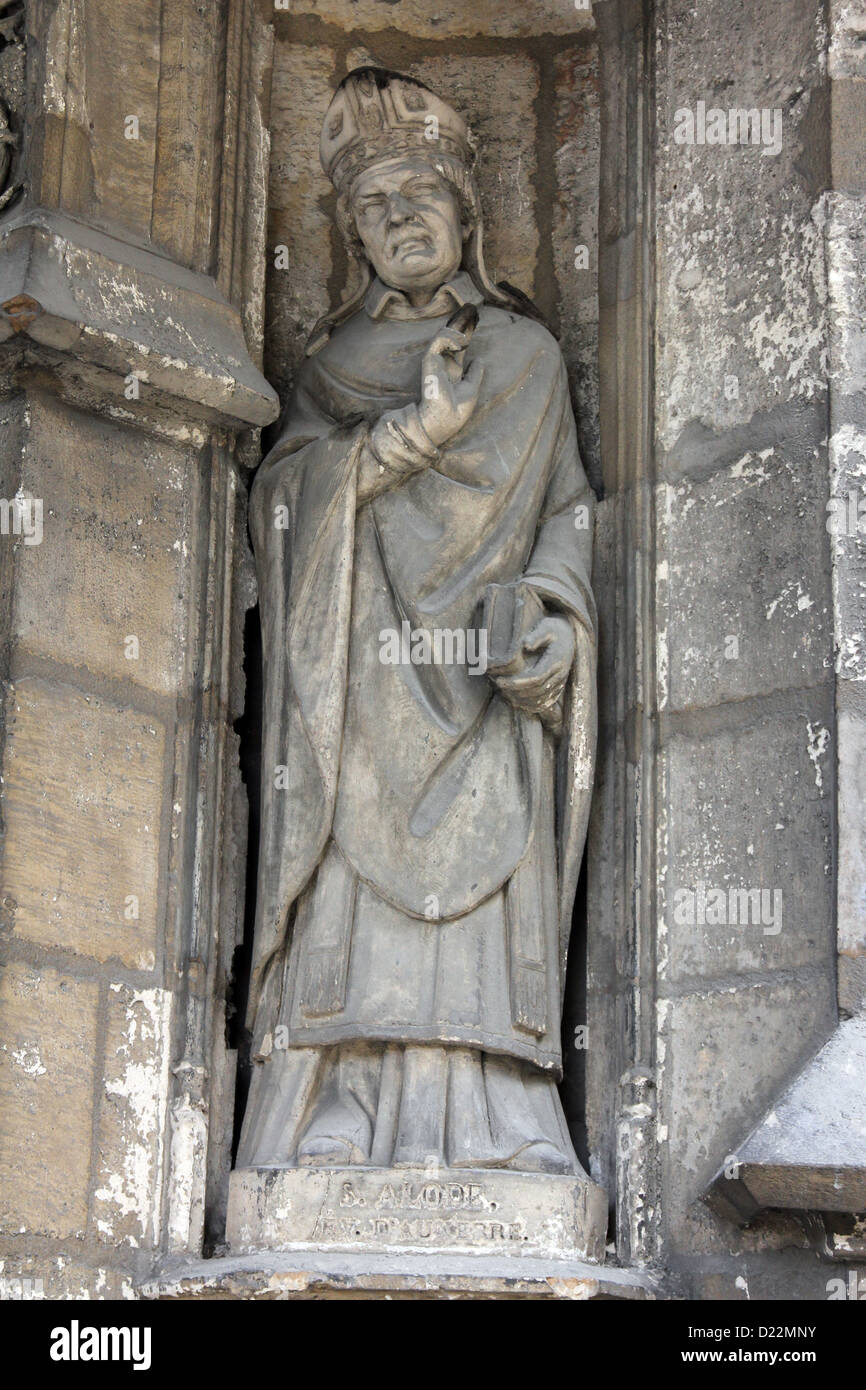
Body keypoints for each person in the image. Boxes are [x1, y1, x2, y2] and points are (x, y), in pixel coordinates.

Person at [237, 67, 597, 1176]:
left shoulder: (526, 359)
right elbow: (278, 512)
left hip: (483, 690)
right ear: (348, 233)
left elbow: (573, 515)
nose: (399, 219)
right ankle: (336, 1107)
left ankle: (504, 1120)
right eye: (373, 204)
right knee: (353, 869)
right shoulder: (332, 370)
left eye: (419, 194)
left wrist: (549, 617)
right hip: (358, 685)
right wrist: (402, 441)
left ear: (466, 213)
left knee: (482, 892)